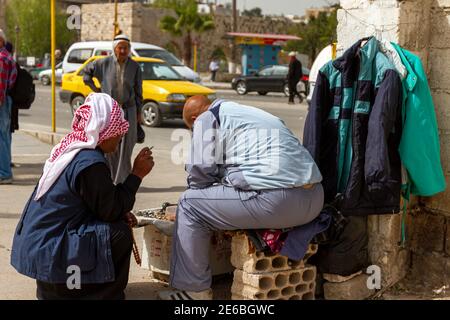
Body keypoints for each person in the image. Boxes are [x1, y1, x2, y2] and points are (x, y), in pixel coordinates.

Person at [159, 96, 324, 300]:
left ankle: (194, 291)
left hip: (281, 203)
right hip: (314, 200)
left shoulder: (206, 118)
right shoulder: (248, 113)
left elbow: (199, 175)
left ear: (194, 118)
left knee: (189, 204)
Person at [10, 93, 154, 300]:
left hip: (44, 251)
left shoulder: (70, 151)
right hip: (53, 251)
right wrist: (137, 175)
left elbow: (98, 202)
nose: (121, 136)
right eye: (118, 131)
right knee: (120, 232)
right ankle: (104, 294)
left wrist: (120, 208)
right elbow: (110, 210)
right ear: (104, 130)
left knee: (117, 220)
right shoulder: (90, 163)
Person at [84, 34, 143, 184]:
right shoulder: (103, 63)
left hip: (129, 110)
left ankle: (123, 181)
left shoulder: (135, 66)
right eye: (120, 47)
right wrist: (96, 91)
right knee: (110, 147)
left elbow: (138, 91)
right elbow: (86, 74)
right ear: (114, 49)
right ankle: (108, 179)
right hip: (110, 111)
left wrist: (138, 112)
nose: (123, 51)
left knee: (127, 147)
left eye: (126, 48)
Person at [0, 29, 17, 184]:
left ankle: (4, 174)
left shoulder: (1, 58)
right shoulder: (7, 57)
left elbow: (0, 84)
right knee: (3, 137)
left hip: (1, 101)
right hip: (5, 101)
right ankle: (4, 172)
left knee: (2, 138)